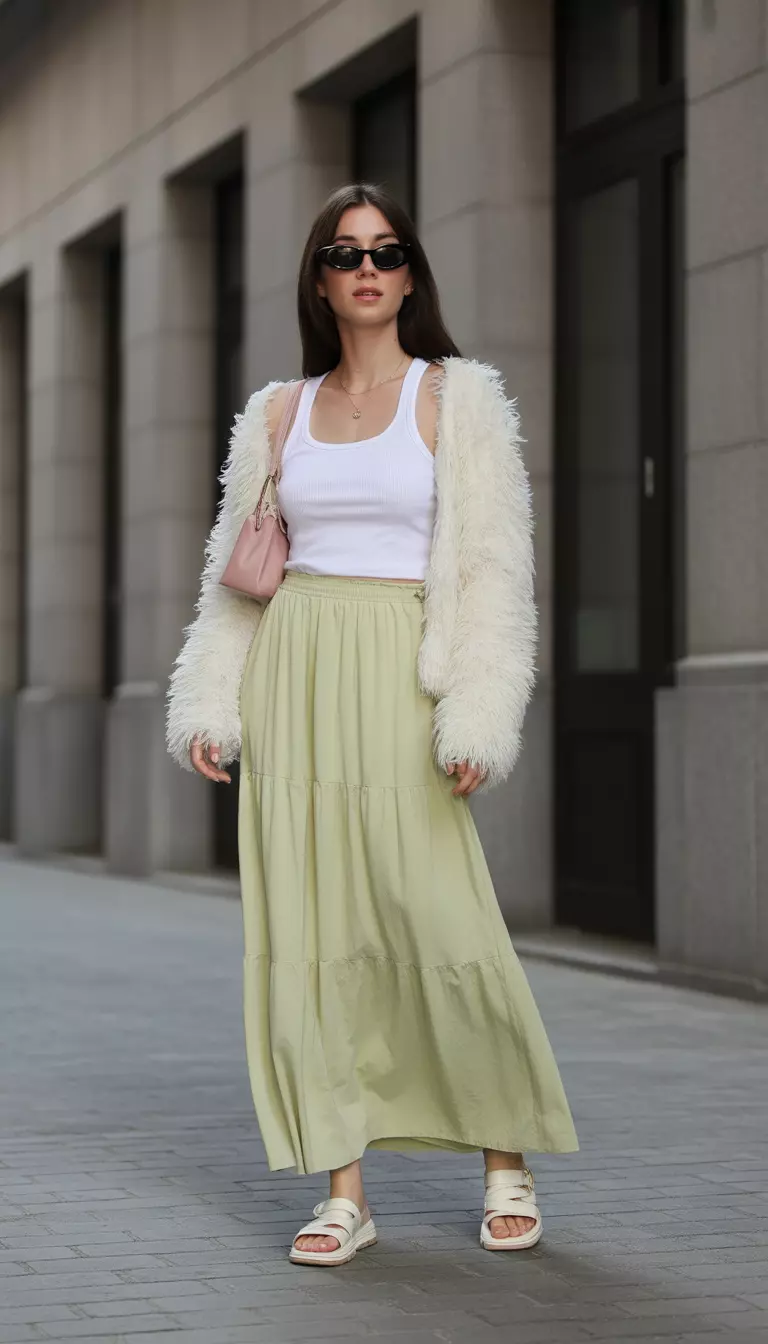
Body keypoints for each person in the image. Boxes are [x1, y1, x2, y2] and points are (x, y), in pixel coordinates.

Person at [166, 182, 578, 1267]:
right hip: (294, 674)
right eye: (346, 252)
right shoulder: (276, 414)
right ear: (318, 278)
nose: (368, 267)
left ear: (409, 275)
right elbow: (237, 573)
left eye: (387, 251)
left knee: (442, 921)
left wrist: (476, 716)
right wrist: (213, 696)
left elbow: (494, 570)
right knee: (313, 936)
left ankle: (505, 1155)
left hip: (401, 672)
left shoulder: (459, 397)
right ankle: (344, 1186)